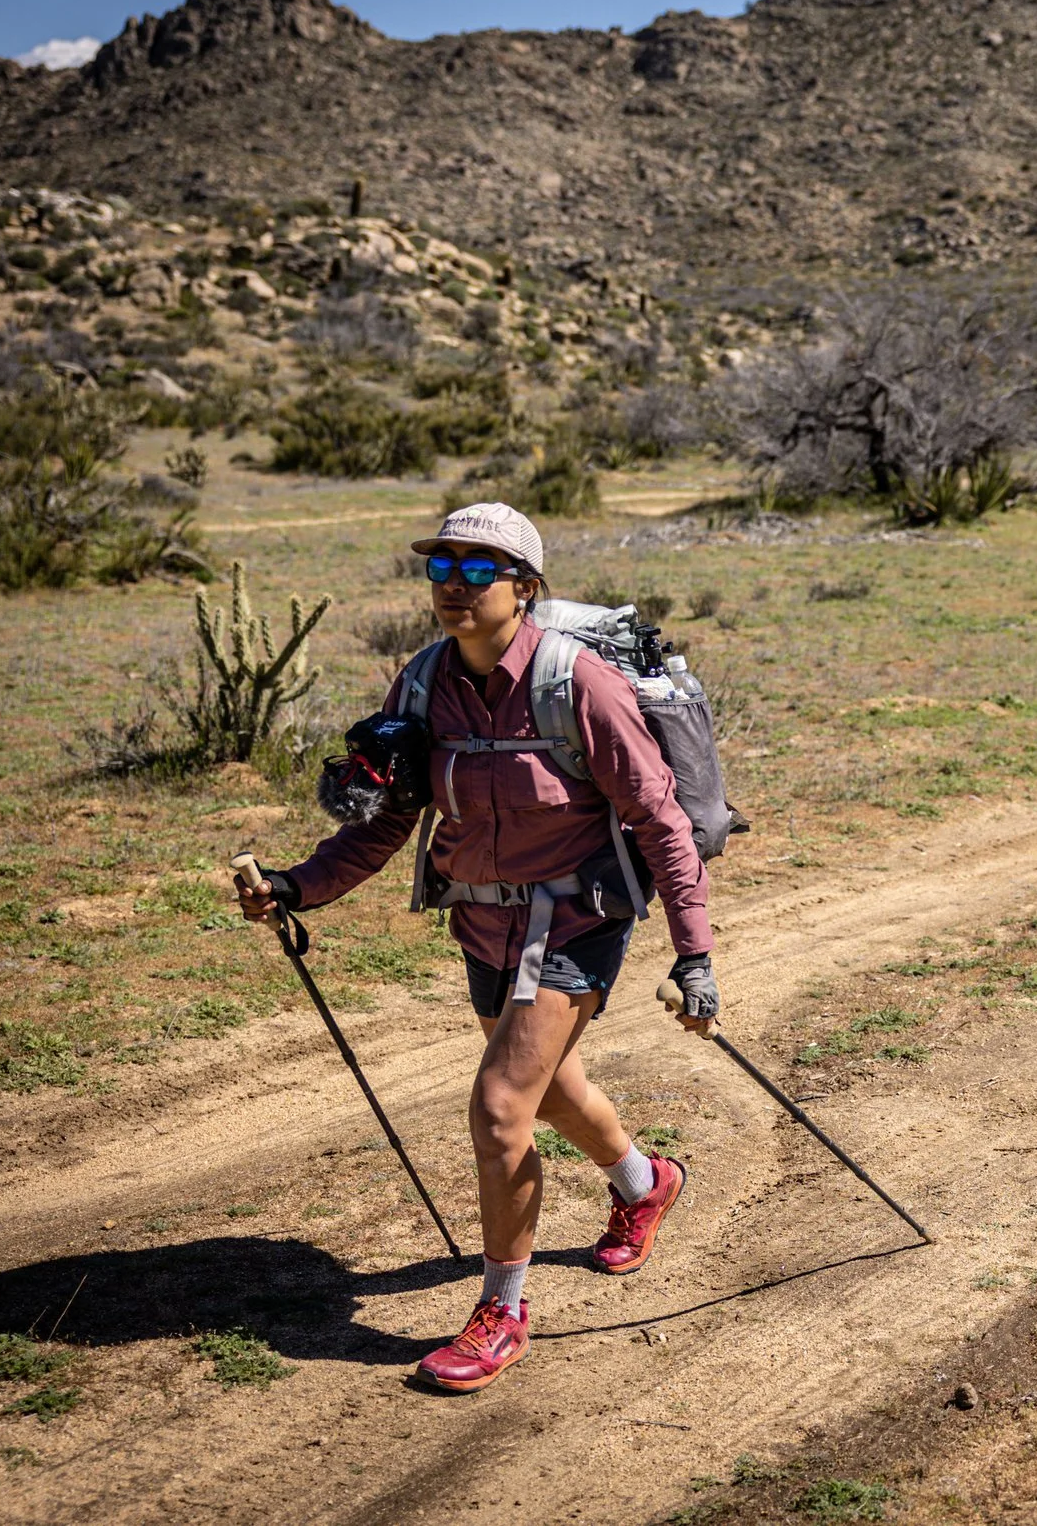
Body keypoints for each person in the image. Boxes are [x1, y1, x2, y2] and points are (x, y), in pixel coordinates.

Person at [233, 502, 717, 1393]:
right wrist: (299, 885)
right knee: (550, 1086)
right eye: (441, 569)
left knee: (501, 1105)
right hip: (483, 920)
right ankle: (646, 1182)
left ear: (525, 587)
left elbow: (661, 819)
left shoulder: (580, 685)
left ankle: (504, 1308)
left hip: (579, 917)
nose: (453, 587)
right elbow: (384, 824)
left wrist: (695, 954)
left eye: (476, 571)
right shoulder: (421, 684)